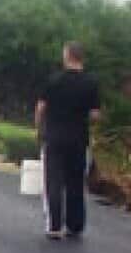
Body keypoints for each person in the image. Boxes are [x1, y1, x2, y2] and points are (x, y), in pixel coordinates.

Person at [35, 41, 100, 239]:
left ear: (67, 55)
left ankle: (54, 226)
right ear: (82, 58)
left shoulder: (53, 80)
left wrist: (39, 129)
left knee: (53, 181)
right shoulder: (91, 83)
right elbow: (95, 115)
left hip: (54, 137)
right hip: (79, 139)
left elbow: (40, 108)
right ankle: (74, 225)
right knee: (75, 183)